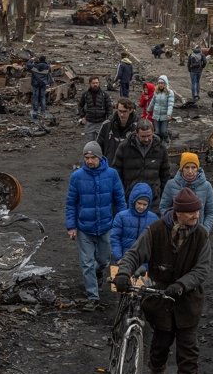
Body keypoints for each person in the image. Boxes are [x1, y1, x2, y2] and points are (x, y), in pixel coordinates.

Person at [114, 187, 210, 374]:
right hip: (160, 298)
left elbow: (202, 269)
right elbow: (134, 254)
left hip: (188, 300)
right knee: (161, 340)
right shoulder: (156, 230)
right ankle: (157, 369)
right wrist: (123, 273)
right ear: (178, 212)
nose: (196, 215)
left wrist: (182, 284)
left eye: (197, 211)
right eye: (191, 212)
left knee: (188, 346)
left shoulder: (201, 235)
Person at [65, 141, 127, 306]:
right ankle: (93, 297)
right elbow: (71, 203)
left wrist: (122, 222)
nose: (90, 161)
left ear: (100, 157)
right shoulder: (77, 177)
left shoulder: (112, 174)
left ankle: (99, 272)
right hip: (84, 227)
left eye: (93, 157)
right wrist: (71, 226)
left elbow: (120, 200)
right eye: (87, 157)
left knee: (104, 261)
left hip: (106, 226)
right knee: (86, 263)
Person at [113, 119, 171, 201]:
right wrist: (122, 193)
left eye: (149, 136)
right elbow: (116, 172)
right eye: (143, 136)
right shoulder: (124, 147)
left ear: (153, 132)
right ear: (136, 133)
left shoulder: (161, 148)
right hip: (130, 197)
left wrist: (163, 196)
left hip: (154, 198)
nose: (146, 139)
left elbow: (165, 175)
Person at [160, 152, 213, 232]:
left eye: (193, 167)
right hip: (175, 232)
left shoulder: (206, 186)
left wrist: (205, 230)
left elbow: (211, 211)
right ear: (181, 169)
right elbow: (164, 208)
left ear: (197, 168)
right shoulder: (171, 185)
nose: (190, 171)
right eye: (187, 167)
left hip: (198, 232)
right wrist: (171, 225)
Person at [110, 182, 159, 267]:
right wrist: (118, 257)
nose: (141, 207)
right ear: (133, 201)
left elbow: (156, 242)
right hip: (123, 261)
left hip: (144, 263)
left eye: (145, 204)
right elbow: (115, 238)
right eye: (139, 203)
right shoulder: (121, 216)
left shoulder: (154, 219)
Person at [78, 76, 112, 142]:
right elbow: (80, 106)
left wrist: (109, 120)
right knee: (89, 143)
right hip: (89, 123)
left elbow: (109, 108)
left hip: (101, 122)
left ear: (99, 83)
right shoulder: (85, 95)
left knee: (101, 142)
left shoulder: (104, 95)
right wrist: (82, 117)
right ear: (90, 84)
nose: (95, 85)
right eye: (93, 83)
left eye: (97, 83)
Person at [149, 75, 176, 143]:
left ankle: (167, 138)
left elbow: (170, 104)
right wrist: (149, 109)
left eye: (162, 83)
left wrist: (169, 114)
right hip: (156, 115)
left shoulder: (169, 92)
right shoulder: (156, 92)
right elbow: (153, 101)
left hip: (165, 116)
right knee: (157, 132)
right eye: (159, 83)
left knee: (163, 131)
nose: (160, 84)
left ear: (165, 83)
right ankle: (158, 144)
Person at [25, 55, 52, 120]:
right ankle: (43, 110)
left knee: (35, 96)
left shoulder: (35, 67)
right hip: (43, 84)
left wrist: (31, 60)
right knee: (42, 96)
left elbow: (28, 65)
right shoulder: (47, 67)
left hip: (36, 83)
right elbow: (49, 70)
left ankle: (35, 110)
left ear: (39, 60)